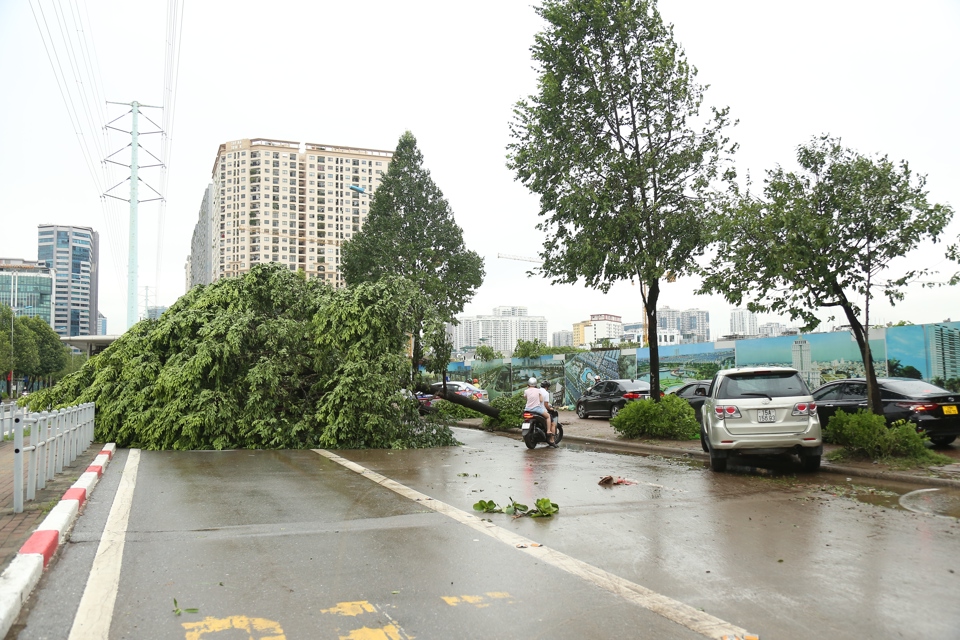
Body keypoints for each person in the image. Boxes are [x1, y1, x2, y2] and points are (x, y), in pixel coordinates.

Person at [523, 377, 556, 447]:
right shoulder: (538, 391)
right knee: (548, 416)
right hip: (536, 409)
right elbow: (541, 400)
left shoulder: (526, 391)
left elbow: (525, 397)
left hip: (527, 409)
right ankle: (548, 431)